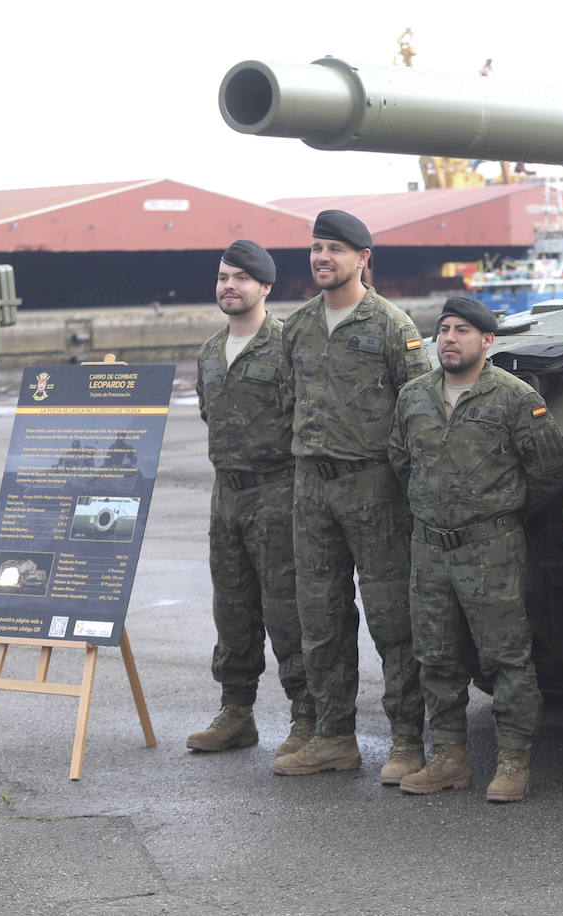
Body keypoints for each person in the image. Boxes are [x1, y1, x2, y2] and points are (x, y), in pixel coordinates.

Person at [272, 210, 431, 782]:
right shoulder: (297, 326)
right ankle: (334, 737)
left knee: (393, 619)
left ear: (363, 258)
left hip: (374, 488)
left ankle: (408, 740)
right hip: (312, 489)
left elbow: (419, 411)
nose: (323, 257)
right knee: (320, 616)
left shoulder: (391, 325)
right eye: (317, 247)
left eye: (335, 249)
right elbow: (289, 402)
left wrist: (410, 491)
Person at [387, 296, 563, 802]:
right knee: (435, 656)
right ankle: (449, 758)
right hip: (429, 550)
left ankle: (513, 761)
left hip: (491, 550)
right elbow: (401, 460)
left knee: (506, 657)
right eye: (444, 329)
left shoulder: (514, 397)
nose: (449, 338)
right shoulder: (414, 396)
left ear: (487, 340)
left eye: (462, 330)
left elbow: (548, 469)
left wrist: (502, 513)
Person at [188, 240, 314, 755]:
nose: (229, 286)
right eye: (223, 277)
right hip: (227, 498)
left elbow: (307, 417)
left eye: (241, 278)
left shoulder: (287, 345)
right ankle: (236, 713)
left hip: (277, 494)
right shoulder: (209, 352)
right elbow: (209, 414)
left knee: (288, 611)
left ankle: (307, 717)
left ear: (265, 287)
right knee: (232, 608)